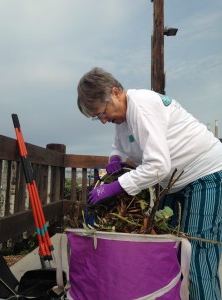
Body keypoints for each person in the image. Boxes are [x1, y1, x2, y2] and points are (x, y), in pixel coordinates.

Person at [77, 67, 222, 300]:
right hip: (176, 182)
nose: (103, 120)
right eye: (98, 117)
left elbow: (157, 166)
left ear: (116, 92)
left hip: (206, 173)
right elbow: (120, 144)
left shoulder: (142, 107)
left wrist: (116, 186)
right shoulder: (122, 118)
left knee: (196, 254)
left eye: (102, 112)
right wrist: (114, 158)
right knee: (169, 250)